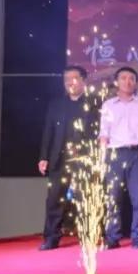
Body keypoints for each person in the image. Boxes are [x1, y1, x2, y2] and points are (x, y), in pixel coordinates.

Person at [37, 65, 100, 251]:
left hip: (84, 159)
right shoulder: (56, 104)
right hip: (59, 158)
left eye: (73, 78)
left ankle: (88, 236)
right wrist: (44, 157)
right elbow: (48, 131)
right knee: (54, 199)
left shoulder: (94, 104)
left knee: (85, 198)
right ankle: (51, 237)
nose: (69, 83)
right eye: (66, 79)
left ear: (83, 80)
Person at [99, 66, 138, 249]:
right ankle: (112, 236)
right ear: (116, 82)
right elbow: (103, 134)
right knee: (113, 197)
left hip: (137, 153)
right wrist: (102, 159)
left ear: (136, 82)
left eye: (131, 78)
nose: (127, 82)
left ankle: (137, 236)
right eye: (123, 78)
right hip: (114, 154)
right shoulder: (108, 105)